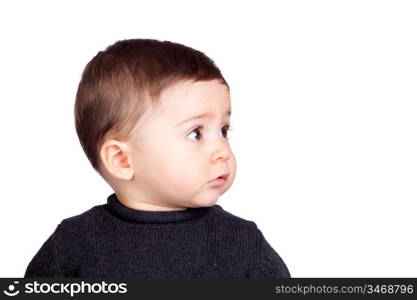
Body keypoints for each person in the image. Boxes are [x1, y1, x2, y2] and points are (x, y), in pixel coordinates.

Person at [24, 38, 290, 278]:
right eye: (195, 133)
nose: (223, 150)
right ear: (121, 160)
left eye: (223, 130)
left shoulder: (242, 243)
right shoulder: (74, 244)